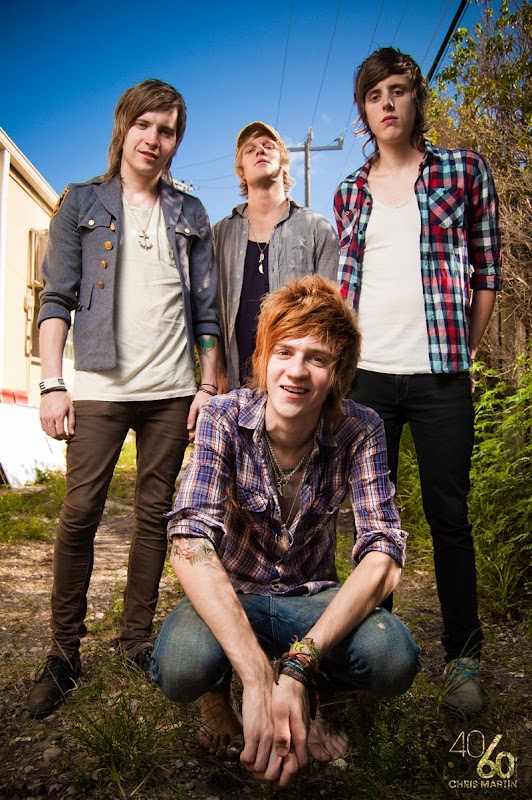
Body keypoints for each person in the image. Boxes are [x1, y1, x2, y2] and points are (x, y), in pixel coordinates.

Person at [150, 275, 420, 788]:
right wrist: (256, 677)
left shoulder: (361, 429)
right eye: (285, 352)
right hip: (237, 594)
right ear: (262, 358)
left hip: (311, 596)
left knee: (392, 657)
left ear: (338, 373)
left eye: (317, 358)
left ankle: (320, 698)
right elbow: (189, 540)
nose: (296, 371)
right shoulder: (223, 417)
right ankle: (220, 696)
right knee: (181, 665)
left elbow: (384, 553)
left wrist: (298, 665)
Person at [27, 79, 220, 719]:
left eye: (167, 130)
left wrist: (208, 386)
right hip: (100, 388)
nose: (154, 139)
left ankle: (135, 639)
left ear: (176, 141)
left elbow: (207, 312)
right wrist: (52, 383)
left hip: (172, 391)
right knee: (80, 512)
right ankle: (64, 653)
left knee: (154, 515)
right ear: (123, 127)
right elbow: (56, 298)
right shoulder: (80, 202)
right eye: (145, 125)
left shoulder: (190, 213)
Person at [334, 47, 502, 712]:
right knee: (371, 521)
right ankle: (375, 657)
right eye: (375, 95)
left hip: (440, 378)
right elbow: (346, 289)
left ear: (415, 99)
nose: (388, 104)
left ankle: (463, 658)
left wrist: (463, 352)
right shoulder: (349, 191)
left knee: (449, 516)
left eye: (399, 90)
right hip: (367, 381)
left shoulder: (463, 171)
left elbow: (487, 271)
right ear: (364, 110)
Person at [214, 121, 338, 390]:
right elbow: (208, 310)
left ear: (284, 162)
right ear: (240, 171)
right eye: (250, 150)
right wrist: (214, 374)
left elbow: (331, 316)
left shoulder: (317, 229)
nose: (260, 150)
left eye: (268, 146)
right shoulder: (220, 234)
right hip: (234, 386)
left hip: (295, 384)